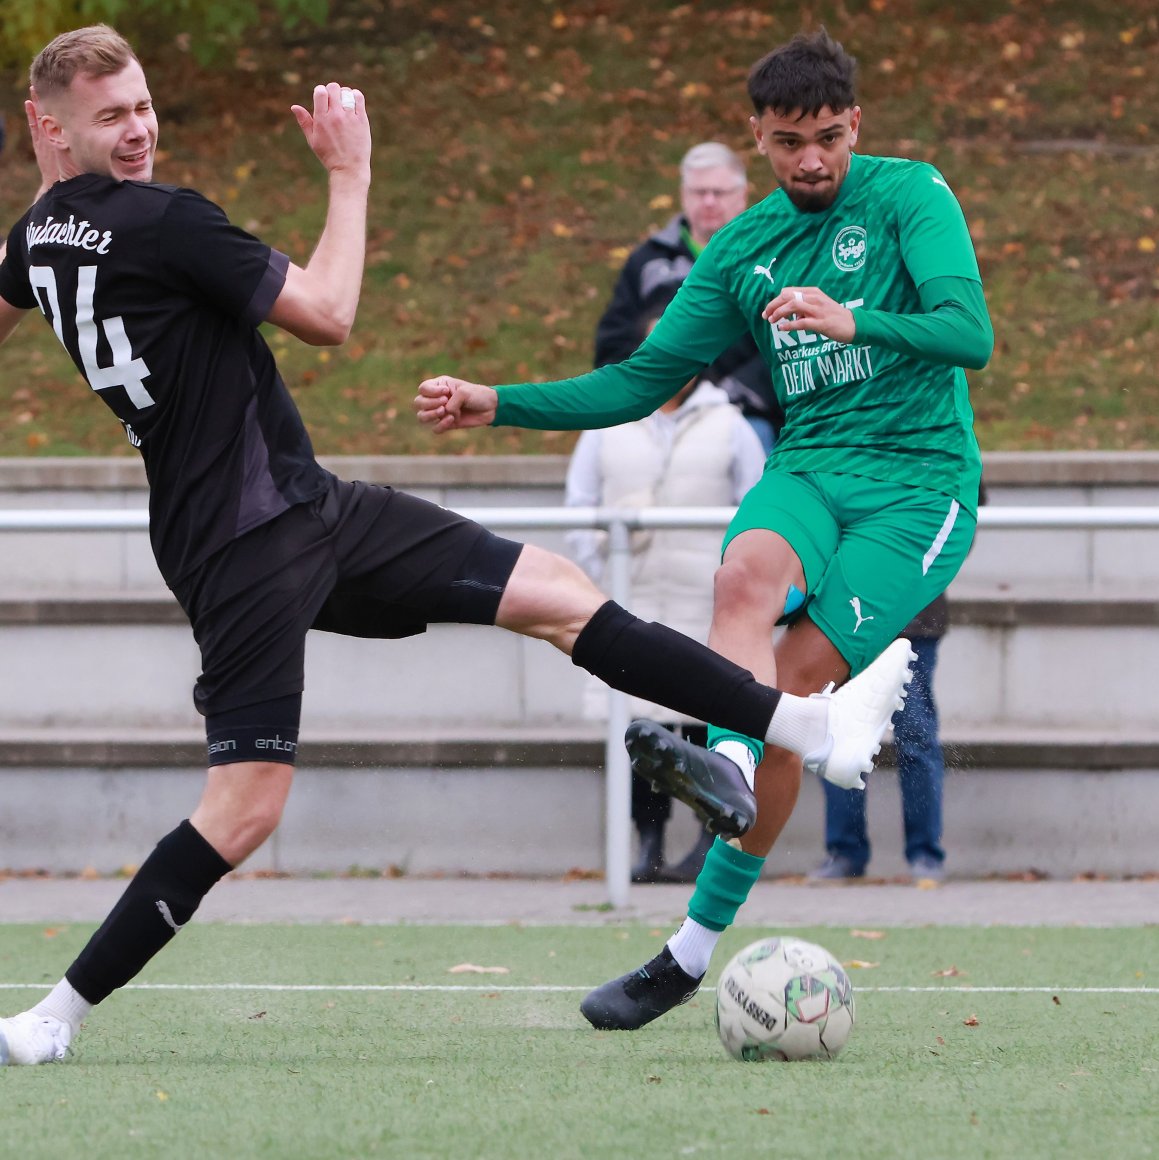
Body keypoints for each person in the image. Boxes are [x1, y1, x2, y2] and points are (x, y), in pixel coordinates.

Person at [0, 25, 911, 1066]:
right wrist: (350, 172)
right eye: (111, 116)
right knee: (245, 806)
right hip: (247, 545)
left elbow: (32, 264)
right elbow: (330, 314)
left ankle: (806, 726)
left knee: (557, 591)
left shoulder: (37, 240)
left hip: (303, 511)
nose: (139, 131)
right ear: (53, 123)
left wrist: (51, 182)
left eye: (143, 105)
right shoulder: (165, 222)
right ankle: (52, 1017)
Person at [416, 28, 992, 1032]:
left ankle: (688, 950)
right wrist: (493, 399)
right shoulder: (740, 247)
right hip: (808, 467)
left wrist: (858, 322)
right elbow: (639, 381)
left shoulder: (910, 196)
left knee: (793, 684)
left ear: (853, 123)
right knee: (742, 590)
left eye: (824, 137)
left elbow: (967, 332)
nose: (807, 159)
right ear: (756, 139)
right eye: (785, 142)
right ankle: (730, 760)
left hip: (917, 485)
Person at [567, 287, 768, 882]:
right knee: (638, 729)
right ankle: (646, 845)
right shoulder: (606, 422)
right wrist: (604, 564)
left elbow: (757, 509)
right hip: (631, 603)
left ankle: (709, 846)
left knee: (709, 725)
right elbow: (580, 505)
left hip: (704, 607)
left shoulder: (730, 425)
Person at [594, 141, 783, 454]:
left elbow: (784, 346)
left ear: (742, 195)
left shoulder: (770, 261)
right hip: (651, 414)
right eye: (699, 192)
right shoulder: (647, 263)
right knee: (608, 442)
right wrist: (648, 393)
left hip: (744, 413)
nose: (708, 201)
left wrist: (726, 397)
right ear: (683, 195)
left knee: (754, 439)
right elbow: (613, 343)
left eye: (719, 193)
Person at [811, 597, 948, 882]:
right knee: (839, 733)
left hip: (911, 617)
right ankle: (845, 851)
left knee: (916, 737)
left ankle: (925, 852)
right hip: (845, 620)